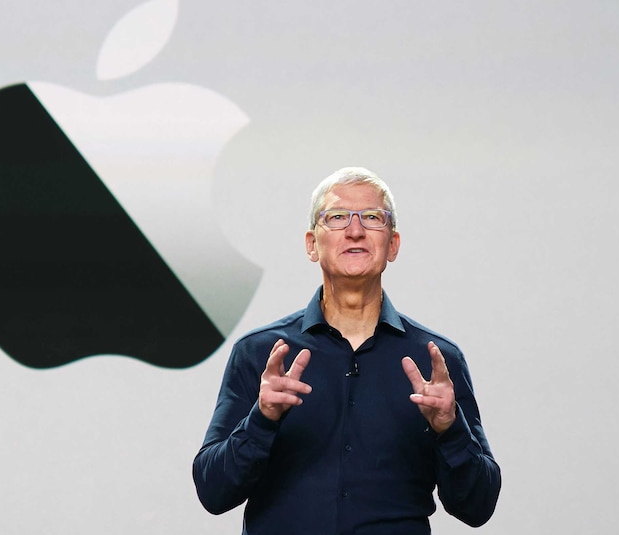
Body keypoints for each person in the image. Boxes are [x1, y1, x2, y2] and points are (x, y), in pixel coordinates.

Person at [192, 167, 501, 534]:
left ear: (393, 244)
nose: (355, 230)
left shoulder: (437, 361)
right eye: (337, 217)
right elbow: (213, 492)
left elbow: (478, 506)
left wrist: (450, 429)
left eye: (372, 218)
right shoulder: (261, 353)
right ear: (312, 243)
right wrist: (261, 419)